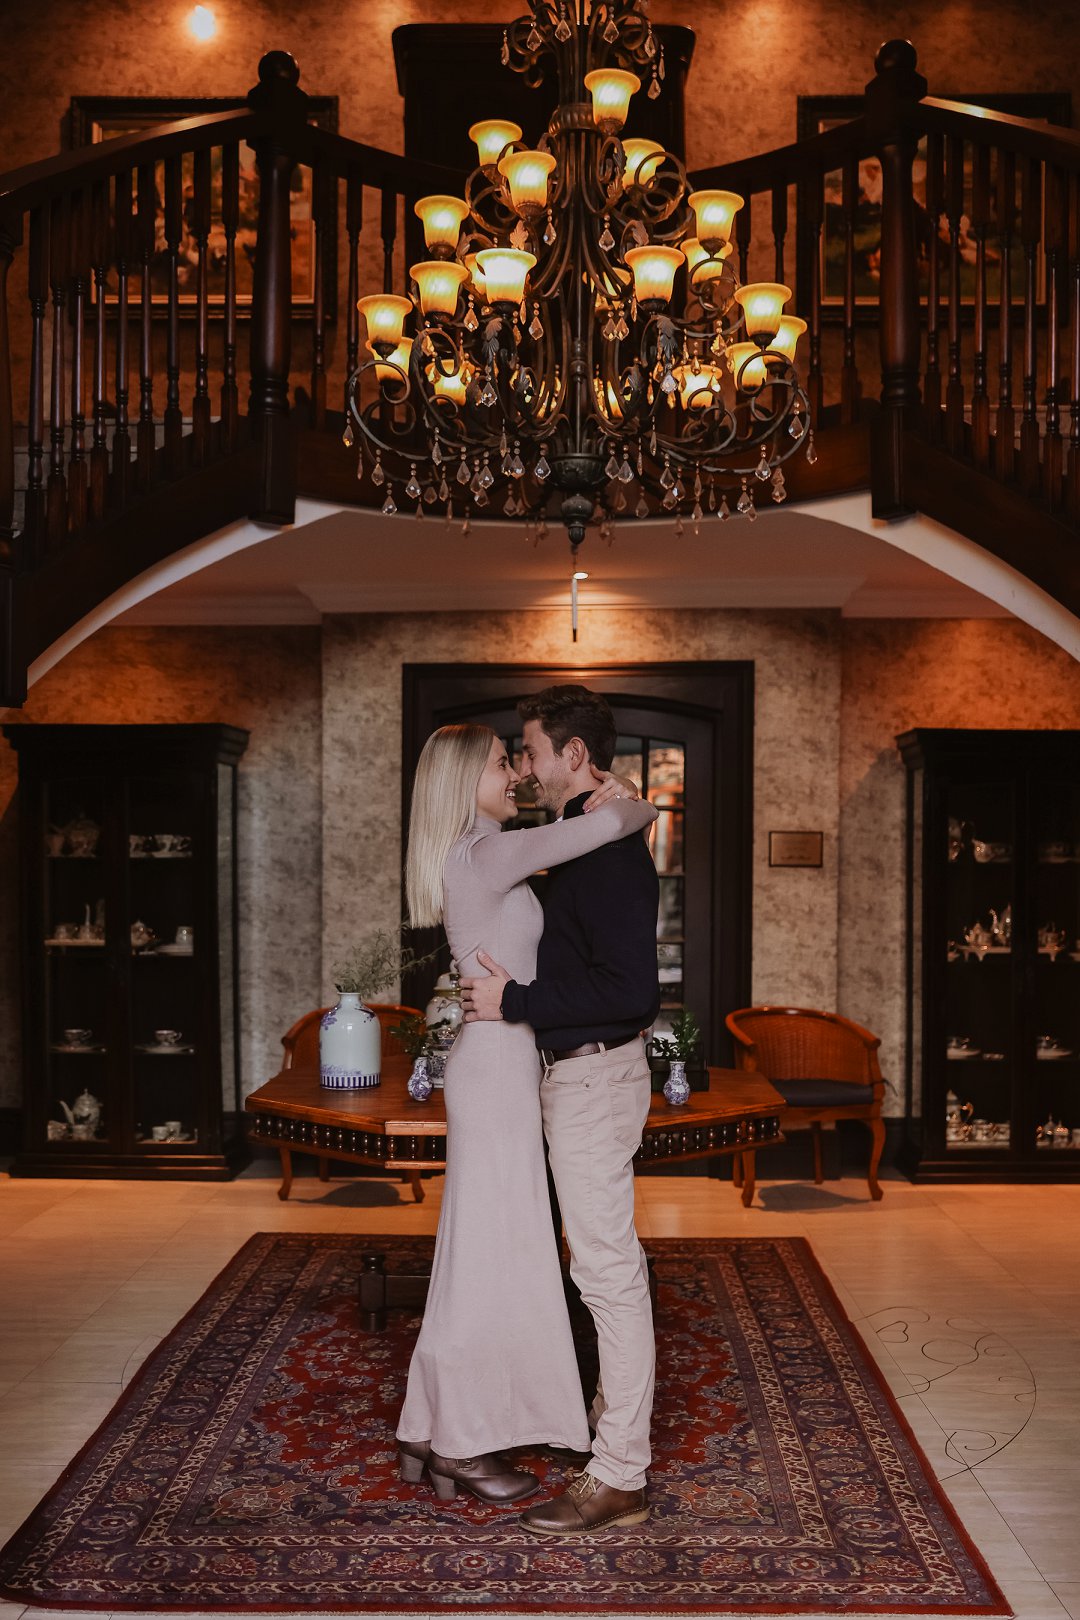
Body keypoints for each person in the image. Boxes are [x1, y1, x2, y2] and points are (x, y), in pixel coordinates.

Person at [396, 722, 657, 1506]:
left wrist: (613, 798)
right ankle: (465, 1443)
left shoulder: (485, 852)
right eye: (500, 763)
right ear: (462, 781)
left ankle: (427, 1424)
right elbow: (617, 824)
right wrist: (631, 798)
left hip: (506, 1065)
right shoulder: (484, 854)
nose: (513, 774)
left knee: (478, 1250)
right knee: (491, 1258)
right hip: (497, 1069)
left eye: (517, 759)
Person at [460, 684, 661, 1536]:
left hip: (594, 1077)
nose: (526, 769)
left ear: (574, 755)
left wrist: (514, 1001)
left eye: (533, 752)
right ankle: (610, 1437)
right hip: (575, 1078)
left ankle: (621, 1474)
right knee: (599, 1269)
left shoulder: (607, 854)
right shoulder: (588, 840)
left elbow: (630, 990)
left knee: (607, 1274)